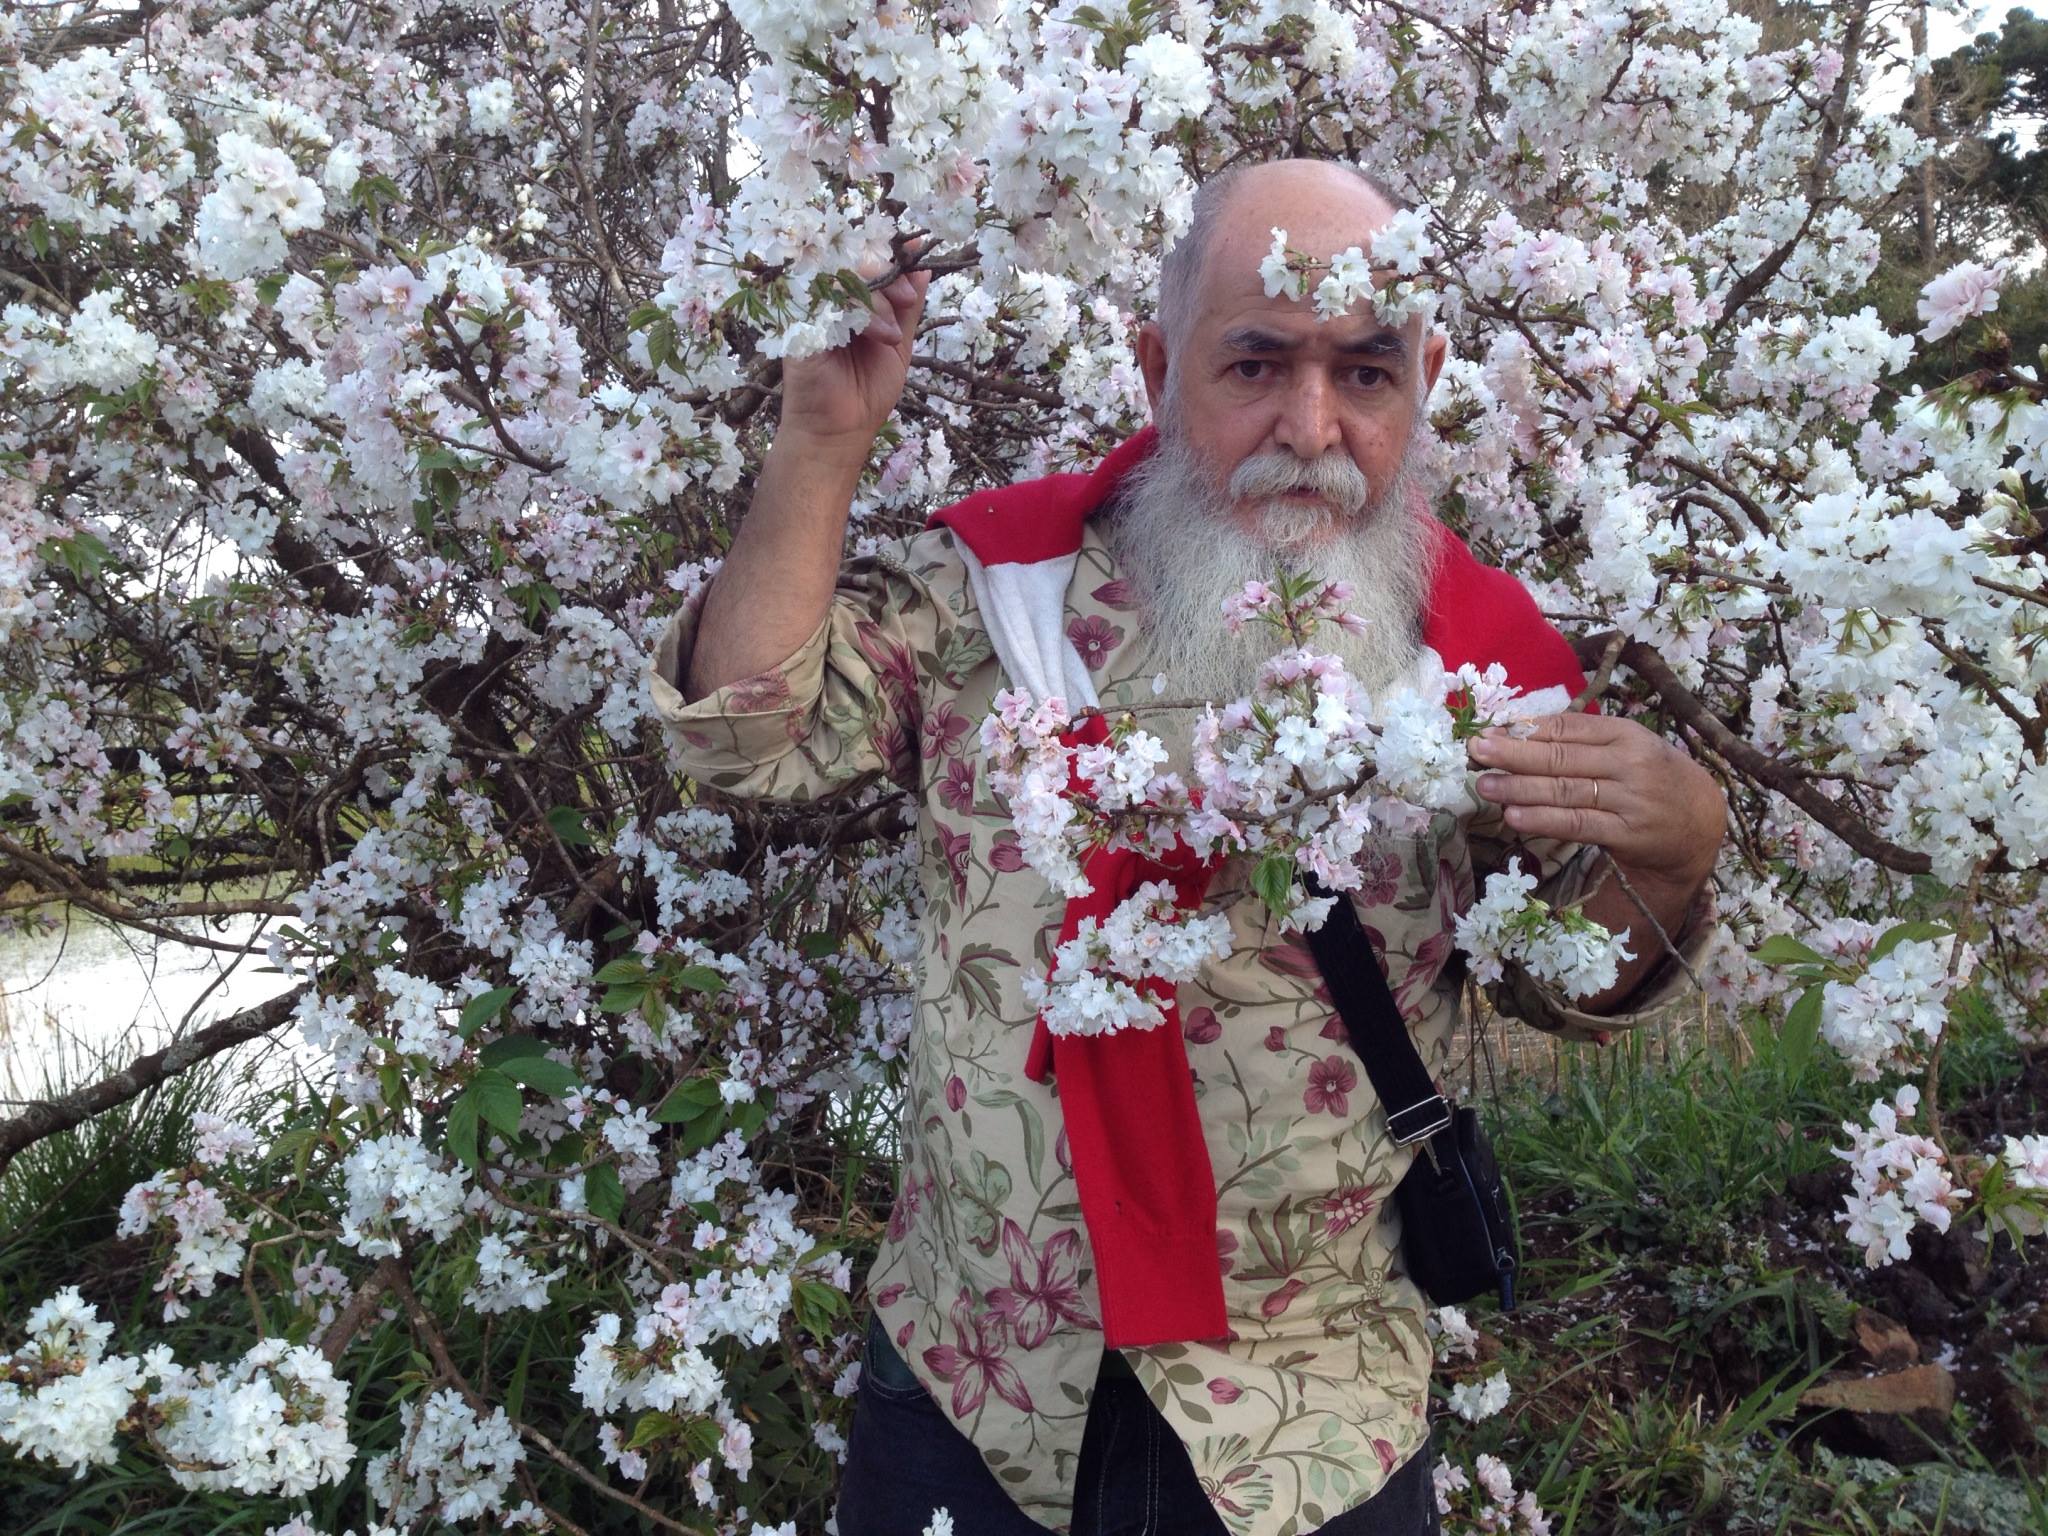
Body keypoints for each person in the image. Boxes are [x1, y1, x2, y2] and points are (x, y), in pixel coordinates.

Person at [647, 160, 1725, 1536]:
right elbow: (735, 738)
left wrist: (1683, 853)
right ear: (1158, 363)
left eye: (1369, 375)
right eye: (1256, 363)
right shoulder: (1001, 591)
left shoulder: (1481, 660)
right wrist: (821, 441)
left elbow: (1563, 982)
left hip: (1312, 1428)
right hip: (977, 1386)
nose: (1311, 425)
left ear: (1428, 378)